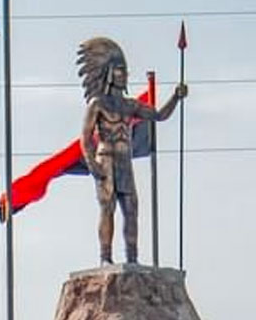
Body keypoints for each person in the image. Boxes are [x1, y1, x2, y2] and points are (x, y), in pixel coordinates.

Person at [76, 37, 188, 265]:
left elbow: (159, 115)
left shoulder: (130, 105)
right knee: (107, 207)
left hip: (124, 160)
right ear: (109, 74)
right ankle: (105, 257)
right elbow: (85, 137)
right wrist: (91, 163)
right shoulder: (97, 103)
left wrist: (176, 97)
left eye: (125, 71)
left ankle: (132, 257)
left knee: (131, 208)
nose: (124, 75)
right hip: (105, 158)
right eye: (119, 71)